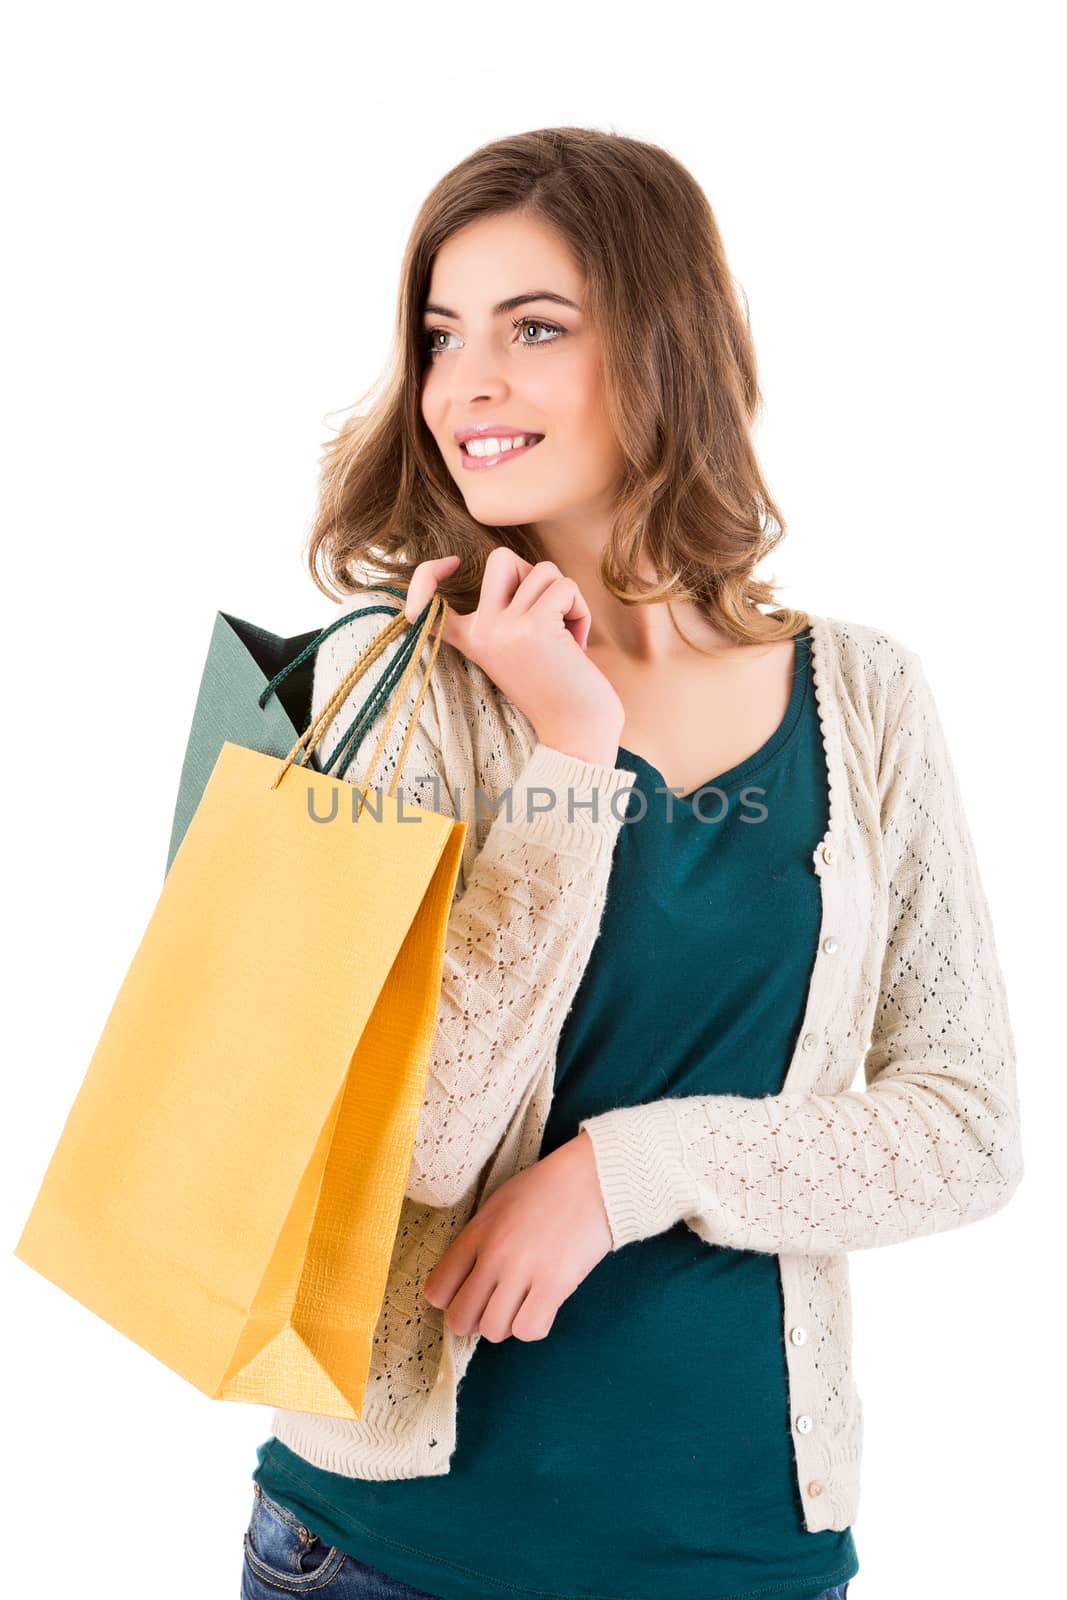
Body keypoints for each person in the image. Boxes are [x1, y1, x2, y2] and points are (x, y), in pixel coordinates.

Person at [240, 126, 1023, 1600]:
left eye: (533, 329)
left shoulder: (865, 699)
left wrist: (628, 1170)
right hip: (396, 1555)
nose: (467, 383)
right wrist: (566, 754)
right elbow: (422, 1150)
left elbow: (966, 1130)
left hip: (746, 1552)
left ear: (667, 352)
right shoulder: (392, 690)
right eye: (439, 336)